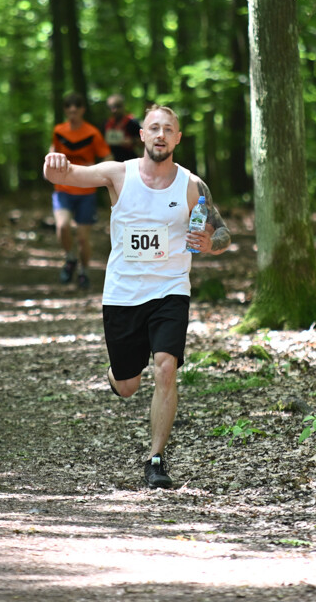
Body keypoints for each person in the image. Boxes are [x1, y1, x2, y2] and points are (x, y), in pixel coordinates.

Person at [42, 104, 230, 489]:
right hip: (123, 293)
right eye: (153, 128)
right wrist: (53, 166)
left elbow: (223, 232)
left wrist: (211, 244)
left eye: (168, 129)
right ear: (142, 135)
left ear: (178, 138)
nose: (160, 135)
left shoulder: (192, 185)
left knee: (166, 368)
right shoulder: (118, 172)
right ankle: (117, 375)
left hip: (170, 289)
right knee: (129, 386)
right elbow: (72, 175)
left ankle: (156, 460)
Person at [50, 92, 112, 291]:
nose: (73, 111)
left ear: (83, 110)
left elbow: (108, 157)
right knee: (62, 227)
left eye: (76, 108)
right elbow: (53, 151)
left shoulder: (92, 133)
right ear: (65, 111)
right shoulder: (59, 131)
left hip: (86, 191)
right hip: (63, 189)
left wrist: (96, 170)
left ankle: (84, 271)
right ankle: (70, 258)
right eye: (69, 108)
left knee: (83, 238)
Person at [103, 94, 142, 162]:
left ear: (123, 106)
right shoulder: (106, 123)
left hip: (130, 160)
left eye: (117, 106)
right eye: (111, 107)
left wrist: (132, 141)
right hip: (112, 161)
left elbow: (144, 140)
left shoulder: (132, 123)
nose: (114, 110)